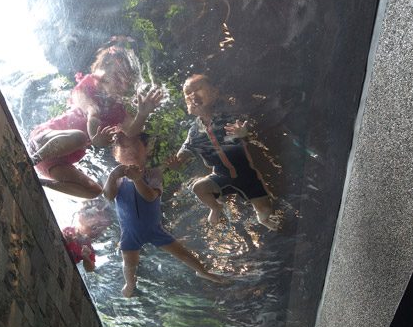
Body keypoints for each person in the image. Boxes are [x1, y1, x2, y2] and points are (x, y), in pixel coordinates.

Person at [29, 44, 163, 198]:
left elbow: (131, 131)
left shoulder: (118, 112)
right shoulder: (87, 86)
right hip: (42, 143)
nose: (121, 81)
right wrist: (95, 138)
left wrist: (142, 114)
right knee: (79, 137)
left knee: (95, 191)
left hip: (56, 164)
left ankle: (39, 182)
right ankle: (30, 160)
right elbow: (92, 113)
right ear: (102, 73)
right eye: (116, 75)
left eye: (125, 79)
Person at [103, 133, 225, 297]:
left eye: (136, 152)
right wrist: (112, 176)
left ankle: (202, 271)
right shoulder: (117, 179)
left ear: (145, 152)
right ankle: (130, 282)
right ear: (118, 158)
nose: (132, 156)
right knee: (129, 262)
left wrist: (138, 180)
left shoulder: (153, 174)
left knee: (181, 253)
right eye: (126, 153)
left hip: (154, 230)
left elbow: (150, 196)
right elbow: (108, 196)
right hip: (130, 233)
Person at [169, 74, 278, 230]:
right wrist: (176, 164)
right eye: (187, 93)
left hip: (247, 175)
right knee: (199, 188)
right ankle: (216, 207)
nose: (192, 95)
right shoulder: (194, 132)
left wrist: (243, 134)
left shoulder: (228, 118)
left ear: (214, 93)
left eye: (198, 89)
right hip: (221, 175)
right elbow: (184, 153)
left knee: (266, 214)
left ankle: (266, 220)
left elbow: (248, 136)